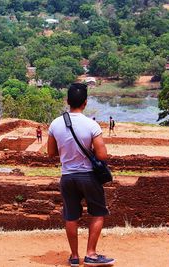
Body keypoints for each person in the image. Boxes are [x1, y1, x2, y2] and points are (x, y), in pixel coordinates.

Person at [47, 83, 114, 267]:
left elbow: (51, 152)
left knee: (71, 216)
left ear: (67, 101)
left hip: (67, 176)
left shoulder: (55, 124)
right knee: (98, 213)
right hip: (88, 176)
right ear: (85, 103)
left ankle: (74, 256)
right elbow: (102, 156)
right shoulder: (91, 125)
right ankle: (91, 254)